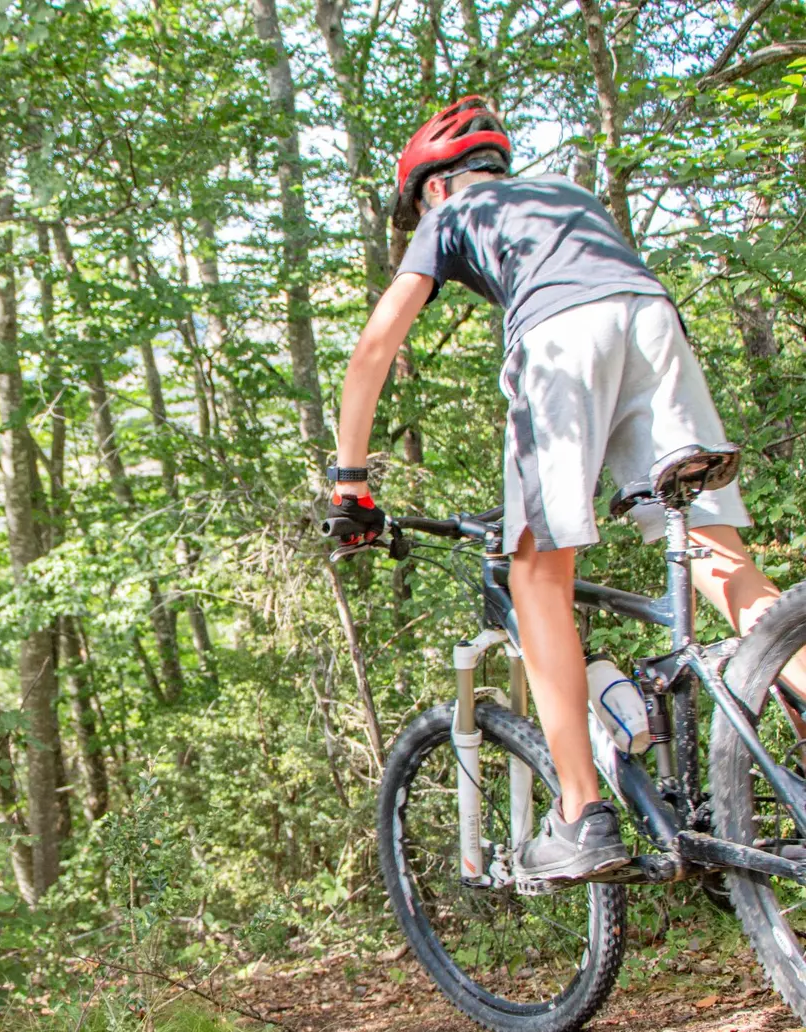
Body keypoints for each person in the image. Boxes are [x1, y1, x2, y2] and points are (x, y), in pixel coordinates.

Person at [325, 94, 806, 881]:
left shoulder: (449, 214)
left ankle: (582, 811)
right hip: (654, 324)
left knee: (538, 577)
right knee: (720, 562)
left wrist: (350, 487)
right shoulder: (565, 198)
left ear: (434, 187)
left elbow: (375, 347)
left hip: (560, 342)